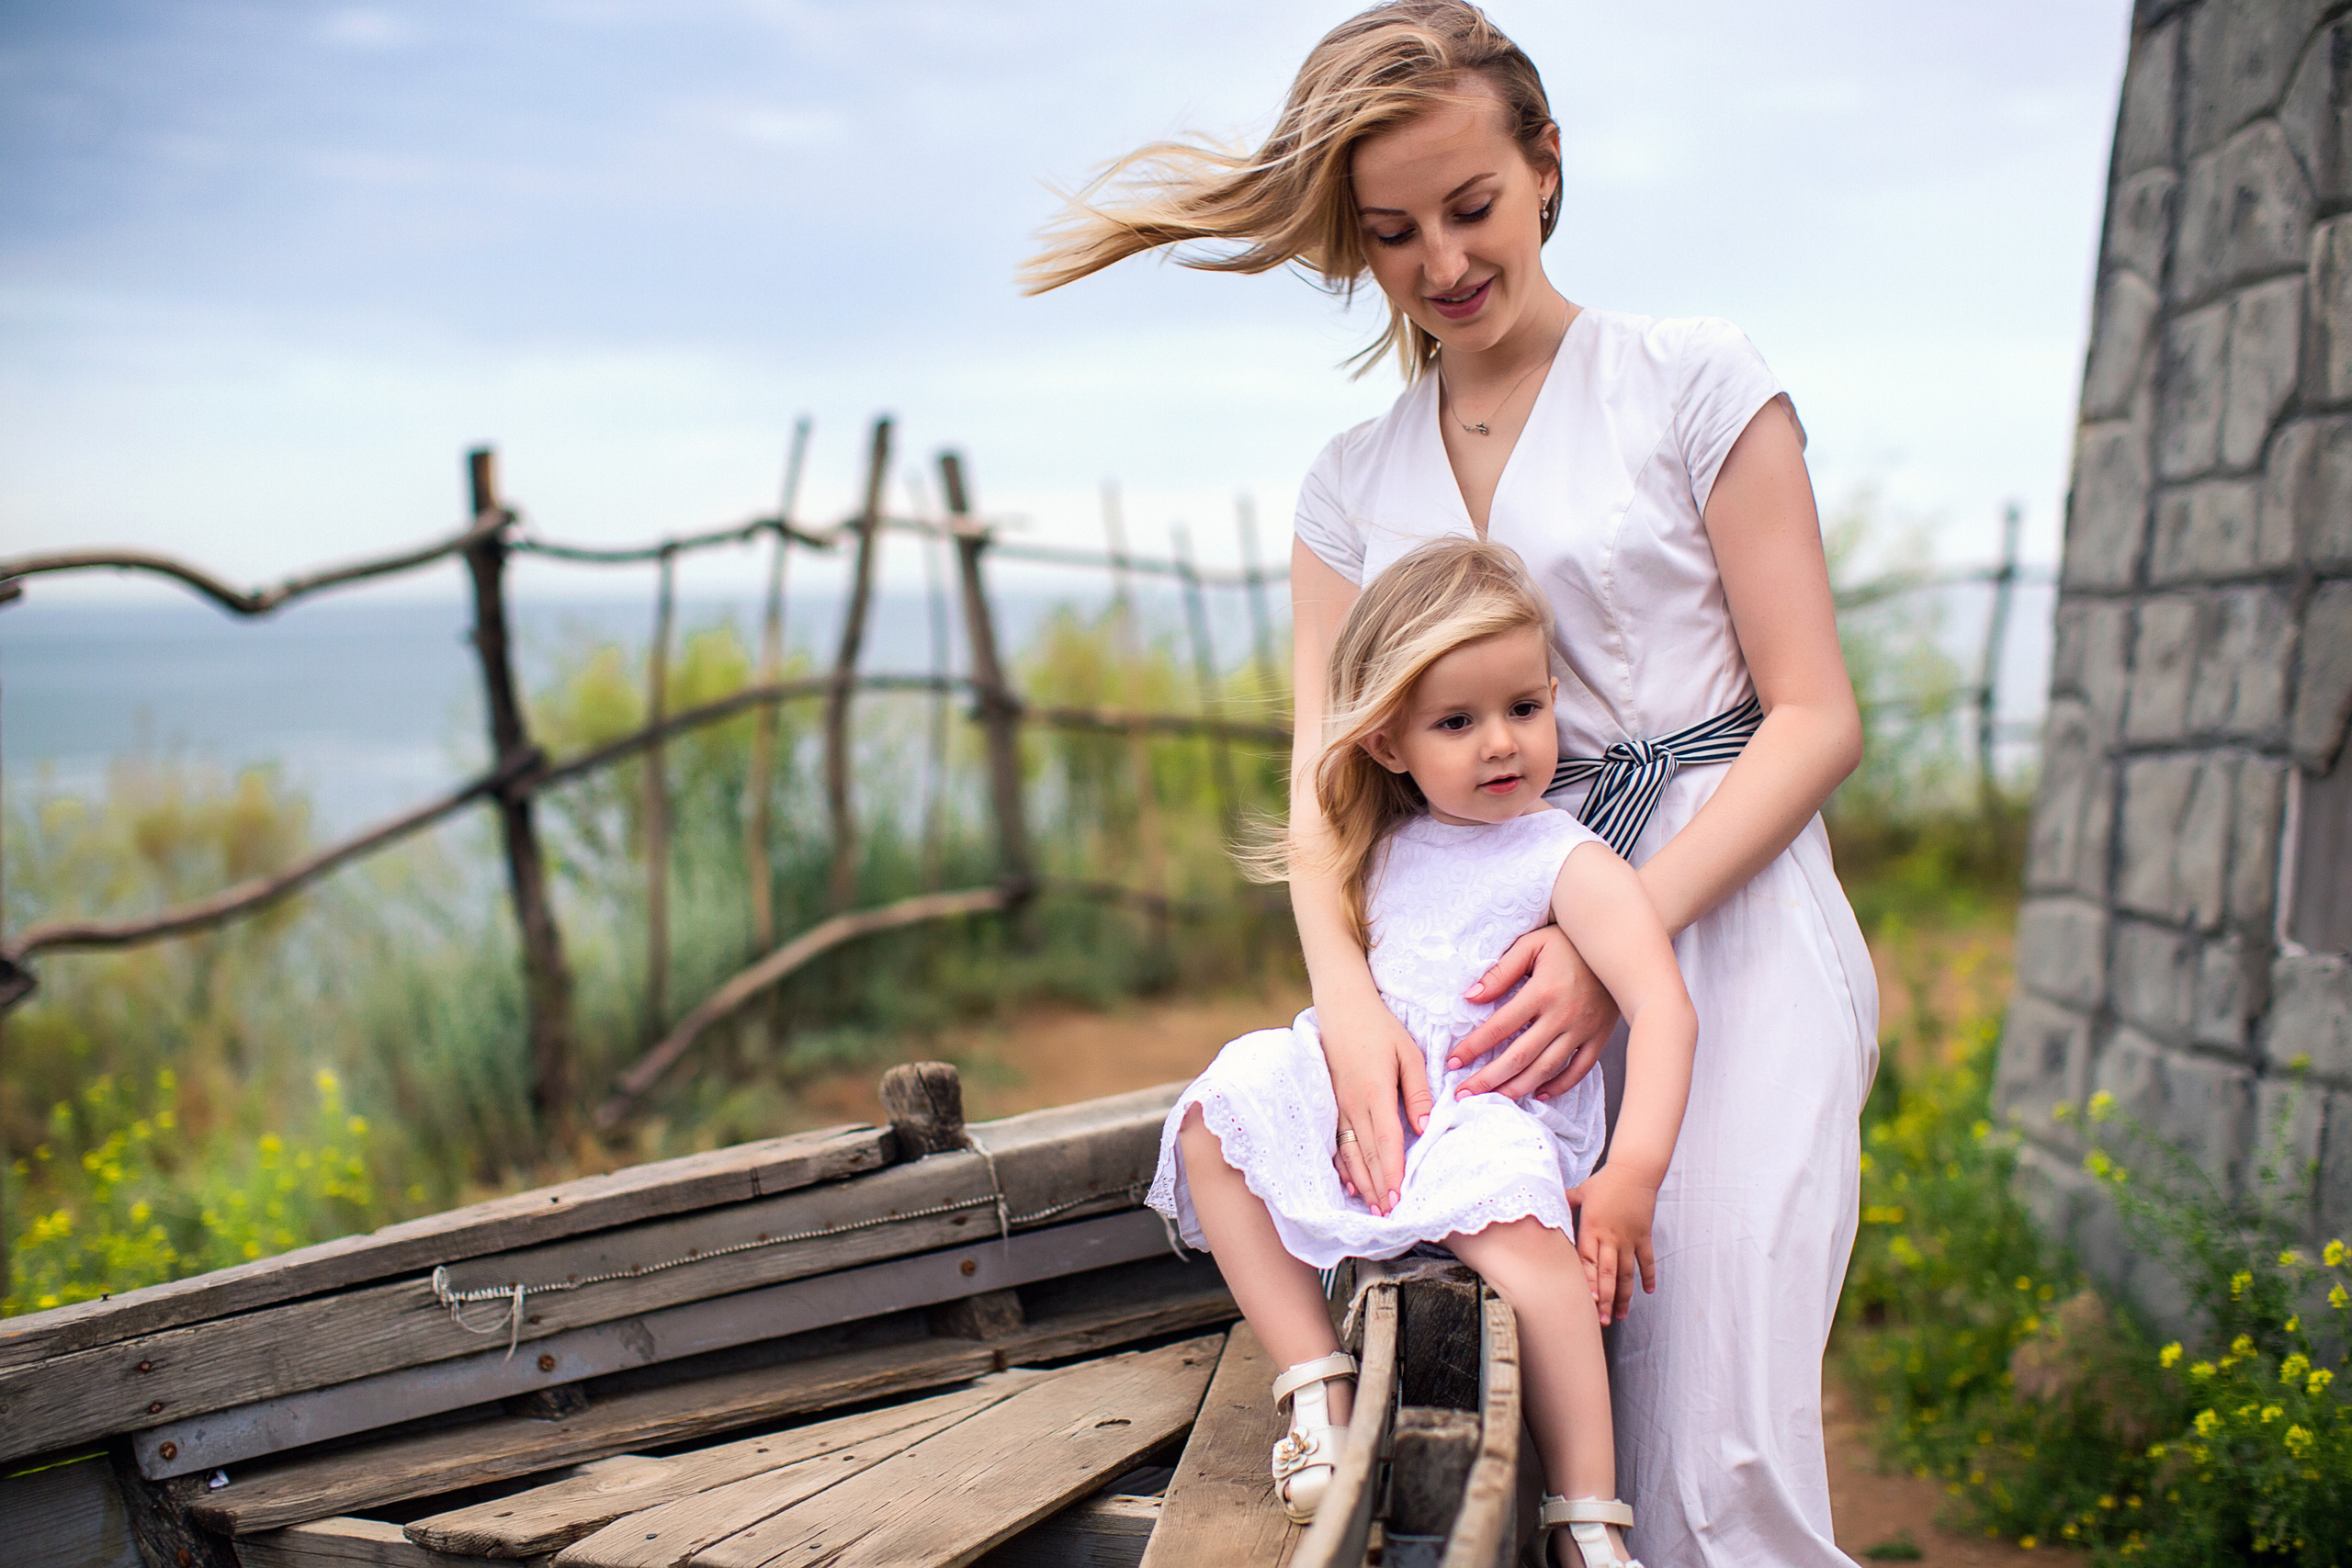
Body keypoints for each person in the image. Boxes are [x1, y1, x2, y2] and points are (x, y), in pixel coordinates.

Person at [1027, 4, 1879, 1563]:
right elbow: (1322, 776)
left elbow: (1814, 716)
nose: (1443, 263)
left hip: (1722, 912)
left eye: (1471, 206)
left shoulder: (1692, 378)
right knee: (1533, 1398)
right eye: (1392, 232)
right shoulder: (1350, 485)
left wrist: (1608, 951)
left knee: (1716, 1422)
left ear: (1546, 166)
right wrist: (1345, 999)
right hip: (1473, 964)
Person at [1146, 537, 1696, 1568]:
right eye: (1457, 721)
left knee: (1540, 1263)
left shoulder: (1563, 857)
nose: (1502, 744)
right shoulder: (1377, 847)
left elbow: (1663, 1008)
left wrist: (1633, 1172)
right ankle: (1318, 1387)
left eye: (1524, 708)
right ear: (1390, 744)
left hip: (1487, 1117)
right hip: (1380, 1110)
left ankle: (1584, 1511)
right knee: (1217, 1117)